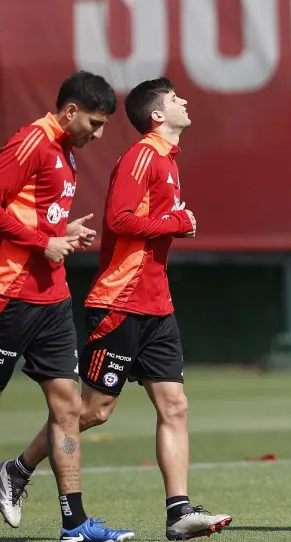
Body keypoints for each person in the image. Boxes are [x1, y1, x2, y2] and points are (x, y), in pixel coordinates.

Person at [3, 77, 231, 540]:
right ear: (157, 115)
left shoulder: (160, 159)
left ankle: (177, 512)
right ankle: (18, 471)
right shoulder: (139, 156)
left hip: (148, 302)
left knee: (174, 405)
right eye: (174, 98)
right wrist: (176, 221)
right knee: (93, 411)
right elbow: (119, 220)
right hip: (118, 301)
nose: (184, 100)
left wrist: (60, 231)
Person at [0, 71, 136, 542]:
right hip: (8, 296)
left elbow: (41, 220)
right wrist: (44, 241)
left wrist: (63, 236)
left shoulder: (66, 154)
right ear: (70, 110)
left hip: (52, 299)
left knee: (68, 408)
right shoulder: (31, 142)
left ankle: (74, 525)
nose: (98, 135)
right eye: (95, 124)